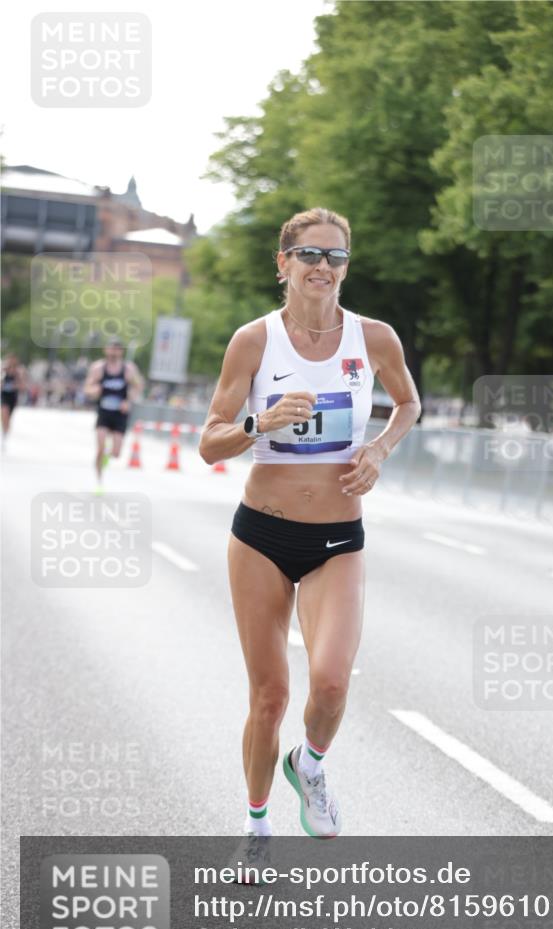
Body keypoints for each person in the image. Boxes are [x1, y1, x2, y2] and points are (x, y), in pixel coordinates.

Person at [199, 207, 421, 872]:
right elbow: (211, 440)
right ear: (283, 264)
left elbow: (408, 403)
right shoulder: (253, 341)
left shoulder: (373, 338)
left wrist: (379, 450)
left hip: (336, 540)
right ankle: (256, 823)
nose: (322, 267)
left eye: (335, 257)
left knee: (328, 685)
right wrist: (257, 422)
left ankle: (311, 765)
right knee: (269, 695)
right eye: (309, 255)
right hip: (261, 536)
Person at [84, 339, 144, 484]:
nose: (114, 352)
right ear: (106, 350)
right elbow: (87, 388)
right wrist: (95, 390)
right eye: (111, 349)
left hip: (120, 413)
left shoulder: (128, 369)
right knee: (100, 447)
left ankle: (107, 454)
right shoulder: (98, 368)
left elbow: (138, 386)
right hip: (104, 412)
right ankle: (99, 480)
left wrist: (128, 401)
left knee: (116, 454)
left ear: (121, 352)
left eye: (117, 349)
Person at [1, 353, 27, 449]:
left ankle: (5, 434)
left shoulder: (19, 371)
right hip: (4, 395)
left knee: (8, 418)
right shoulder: (3, 370)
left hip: (13, 396)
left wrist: (16, 384)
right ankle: (4, 432)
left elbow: (23, 386)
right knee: (4, 414)